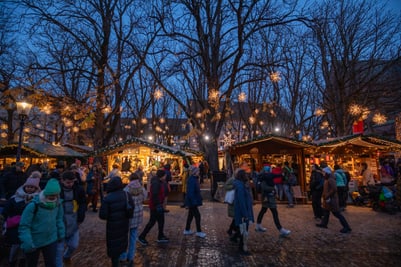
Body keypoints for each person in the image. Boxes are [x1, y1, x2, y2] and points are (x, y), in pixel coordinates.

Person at [18, 178, 65, 267]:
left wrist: (61, 233)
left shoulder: (58, 204)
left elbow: (59, 219)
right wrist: (27, 242)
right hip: (34, 240)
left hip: (51, 239)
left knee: (51, 264)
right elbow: (24, 225)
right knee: (31, 264)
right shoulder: (33, 205)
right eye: (51, 194)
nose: (53, 197)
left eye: (55, 195)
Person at [1, 177, 41, 267]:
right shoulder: (15, 198)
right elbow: (6, 211)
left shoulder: (38, 200)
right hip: (14, 228)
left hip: (29, 229)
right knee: (14, 249)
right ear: (24, 187)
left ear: (36, 188)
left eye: (32, 187)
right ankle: (11, 263)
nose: (30, 189)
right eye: (28, 186)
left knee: (25, 251)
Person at [99, 176, 134, 267]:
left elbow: (102, 215)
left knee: (114, 247)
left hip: (112, 227)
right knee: (121, 244)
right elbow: (131, 209)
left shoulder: (107, 198)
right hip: (124, 225)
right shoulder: (127, 195)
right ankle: (120, 261)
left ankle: (115, 263)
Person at [56, 171, 87, 266]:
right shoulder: (57, 189)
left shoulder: (78, 189)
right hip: (60, 221)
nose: (70, 184)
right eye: (68, 182)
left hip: (73, 220)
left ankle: (67, 256)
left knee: (74, 245)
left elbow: (83, 203)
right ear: (62, 181)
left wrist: (80, 217)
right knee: (59, 249)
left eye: (72, 182)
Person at [119, 173, 147, 267]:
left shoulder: (126, 189)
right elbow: (145, 198)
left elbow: (123, 201)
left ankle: (123, 256)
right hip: (138, 214)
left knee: (124, 237)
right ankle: (130, 256)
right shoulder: (142, 189)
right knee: (133, 236)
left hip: (128, 215)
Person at [254, 165, 291, 236]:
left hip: (267, 198)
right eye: (270, 169)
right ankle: (281, 229)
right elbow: (264, 187)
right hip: (268, 198)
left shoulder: (264, 176)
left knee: (263, 210)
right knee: (274, 213)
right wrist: (273, 189)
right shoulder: (265, 178)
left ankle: (258, 225)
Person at [137, 169, 169, 245]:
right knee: (152, 222)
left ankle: (160, 236)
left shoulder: (159, 182)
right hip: (155, 206)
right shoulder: (156, 183)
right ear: (162, 176)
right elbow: (155, 195)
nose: (166, 176)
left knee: (161, 221)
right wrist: (158, 204)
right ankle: (142, 236)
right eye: (165, 175)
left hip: (158, 205)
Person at [316, 168, 352, 234]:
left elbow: (334, 189)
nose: (323, 174)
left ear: (327, 173)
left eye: (324, 173)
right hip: (328, 199)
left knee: (337, 214)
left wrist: (327, 195)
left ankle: (346, 227)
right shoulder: (327, 179)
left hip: (331, 200)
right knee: (326, 212)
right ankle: (324, 224)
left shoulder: (330, 180)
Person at [233, 169, 254, 255]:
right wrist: (245, 214)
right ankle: (242, 248)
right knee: (244, 230)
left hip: (243, 211)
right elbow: (242, 201)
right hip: (243, 212)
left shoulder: (241, 185)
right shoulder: (241, 186)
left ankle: (241, 247)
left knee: (243, 230)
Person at [183, 165, 206, 238]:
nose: (199, 172)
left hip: (192, 201)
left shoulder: (193, 179)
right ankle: (199, 231)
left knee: (190, 215)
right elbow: (191, 192)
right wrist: (194, 201)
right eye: (198, 171)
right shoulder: (192, 180)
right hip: (192, 201)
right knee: (197, 216)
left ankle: (187, 229)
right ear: (195, 172)